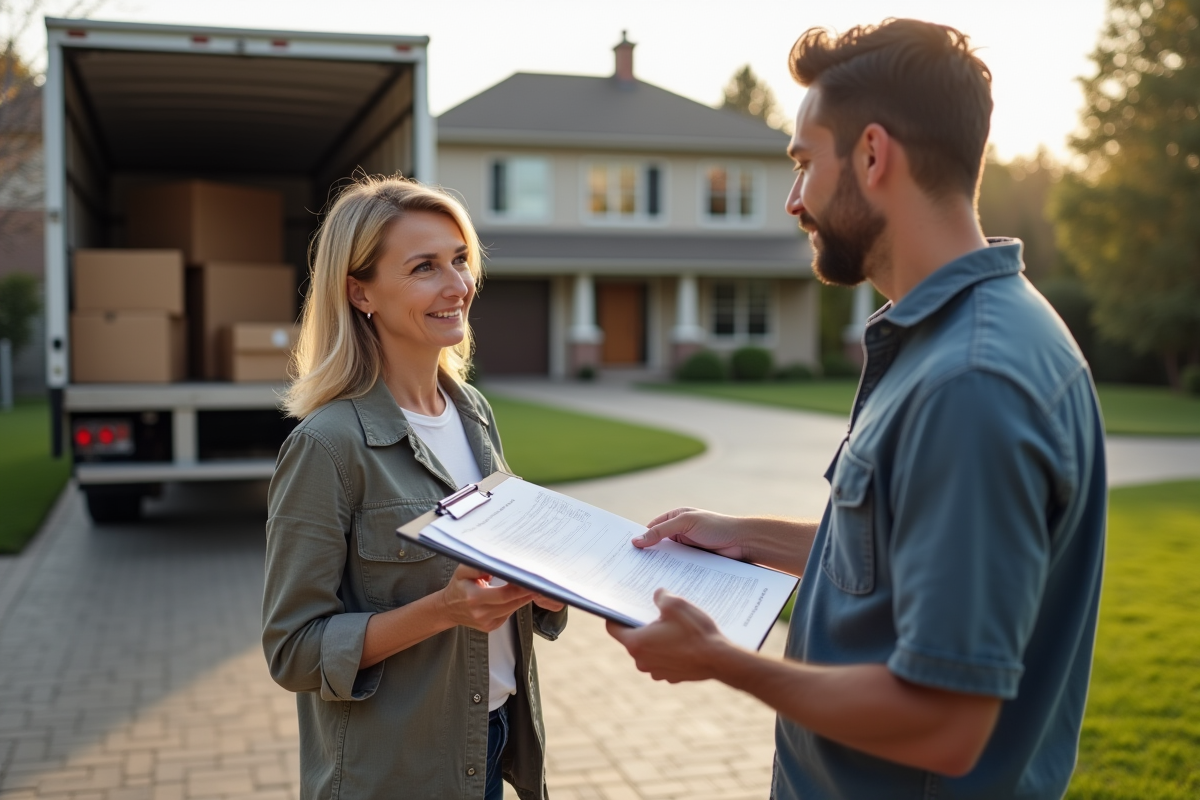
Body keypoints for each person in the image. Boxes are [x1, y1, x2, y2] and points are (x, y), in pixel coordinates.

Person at [606, 19, 1106, 800]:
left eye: (805, 164)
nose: (794, 200)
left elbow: (943, 723)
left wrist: (722, 661)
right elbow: (904, 563)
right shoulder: (956, 338)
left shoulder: (972, 382)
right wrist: (743, 537)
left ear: (872, 155)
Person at [262, 175, 567, 800]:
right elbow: (294, 650)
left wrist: (548, 592)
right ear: (360, 292)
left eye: (460, 260)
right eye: (425, 267)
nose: (458, 286)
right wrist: (442, 612)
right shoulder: (327, 446)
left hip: (493, 739)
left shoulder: (472, 409)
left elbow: (491, 568)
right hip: (396, 772)